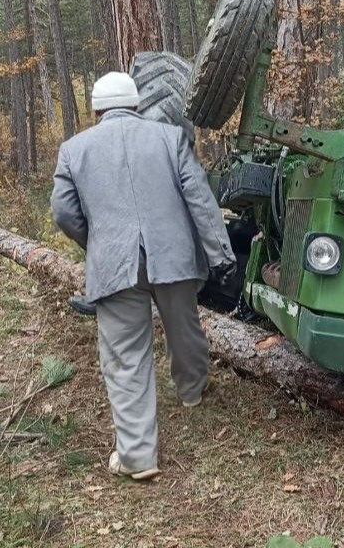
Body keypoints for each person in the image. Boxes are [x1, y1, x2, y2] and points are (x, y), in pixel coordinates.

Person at [50, 71, 235, 481]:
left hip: (116, 265)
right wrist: (220, 254)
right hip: (173, 256)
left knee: (125, 355)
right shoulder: (170, 138)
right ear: (136, 104)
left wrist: (96, 241)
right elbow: (200, 199)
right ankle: (191, 392)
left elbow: (63, 212)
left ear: (97, 109)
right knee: (184, 327)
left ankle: (137, 457)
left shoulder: (73, 150)